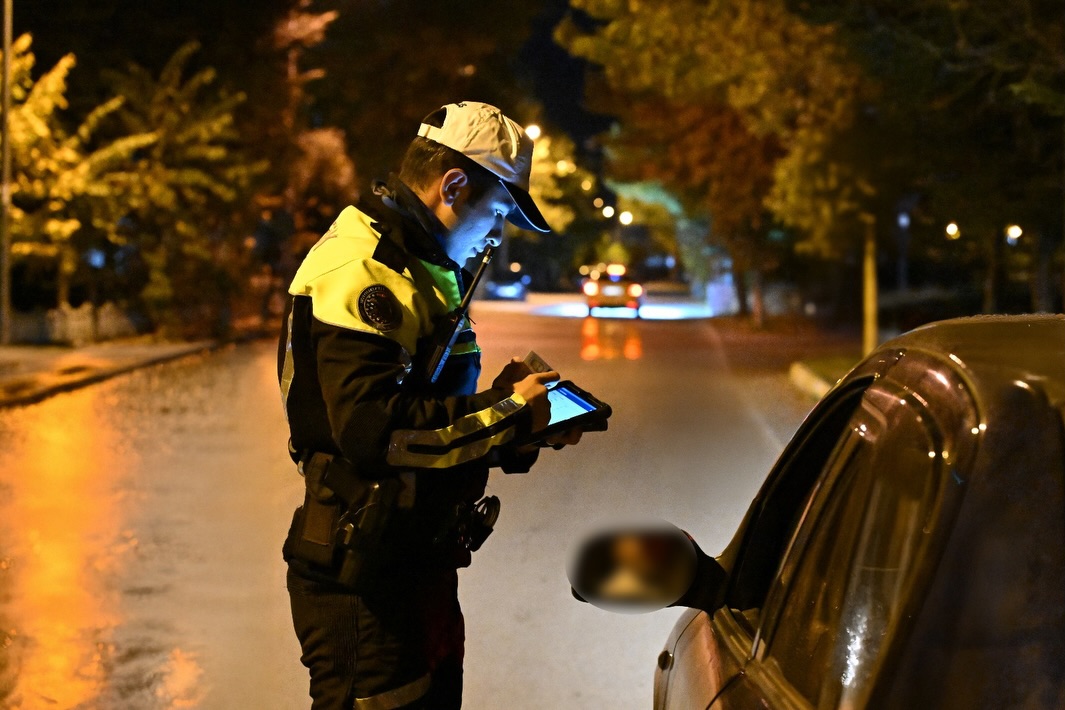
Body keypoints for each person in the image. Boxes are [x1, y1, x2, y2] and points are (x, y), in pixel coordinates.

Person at [277, 101, 582, 709]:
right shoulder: (366, 267)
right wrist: (505, 411)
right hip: (364, 578)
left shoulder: (419, 265)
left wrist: (519, 423)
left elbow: (426, 408)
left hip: (413, 561)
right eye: (498, 210)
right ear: (454, 184)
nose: (498, 232)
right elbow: (374, 433)